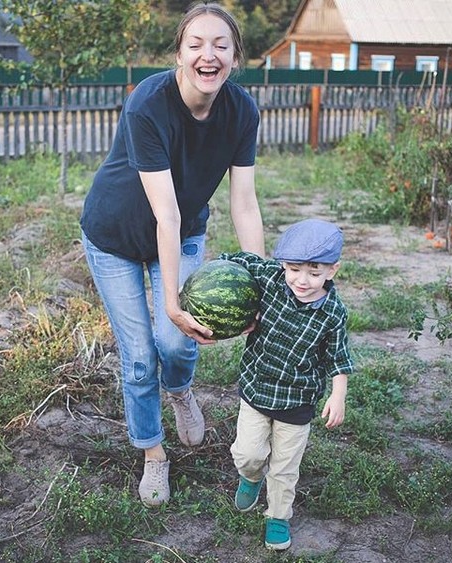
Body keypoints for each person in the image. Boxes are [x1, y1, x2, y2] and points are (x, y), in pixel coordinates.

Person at [80, 2, 265, 507]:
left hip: (182, 235)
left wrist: (261, 287)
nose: (209, 55)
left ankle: (180, 392)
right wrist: (170, 302)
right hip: (115, 235)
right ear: (180, 54)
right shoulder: (148, 102)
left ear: (234, 56)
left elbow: (244, 203)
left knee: (180, 344)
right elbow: (166, 213)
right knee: (141, 356)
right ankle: (153, 455)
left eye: (221, 45)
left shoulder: (242, 111)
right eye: (197, 44)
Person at [219, 218, 353, 551]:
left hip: (297, 401)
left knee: (284, 467)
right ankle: (251, 476)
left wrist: (338, 395)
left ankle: (278, 516)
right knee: (248, 453)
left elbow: (339, 357)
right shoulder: (271, 278)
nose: (302, 280)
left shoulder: (333, 313)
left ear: (332, 271)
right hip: (256, 389)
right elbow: (236, 261)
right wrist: (218, 279)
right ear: (282, 264)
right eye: (294, 269)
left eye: (314, 272)